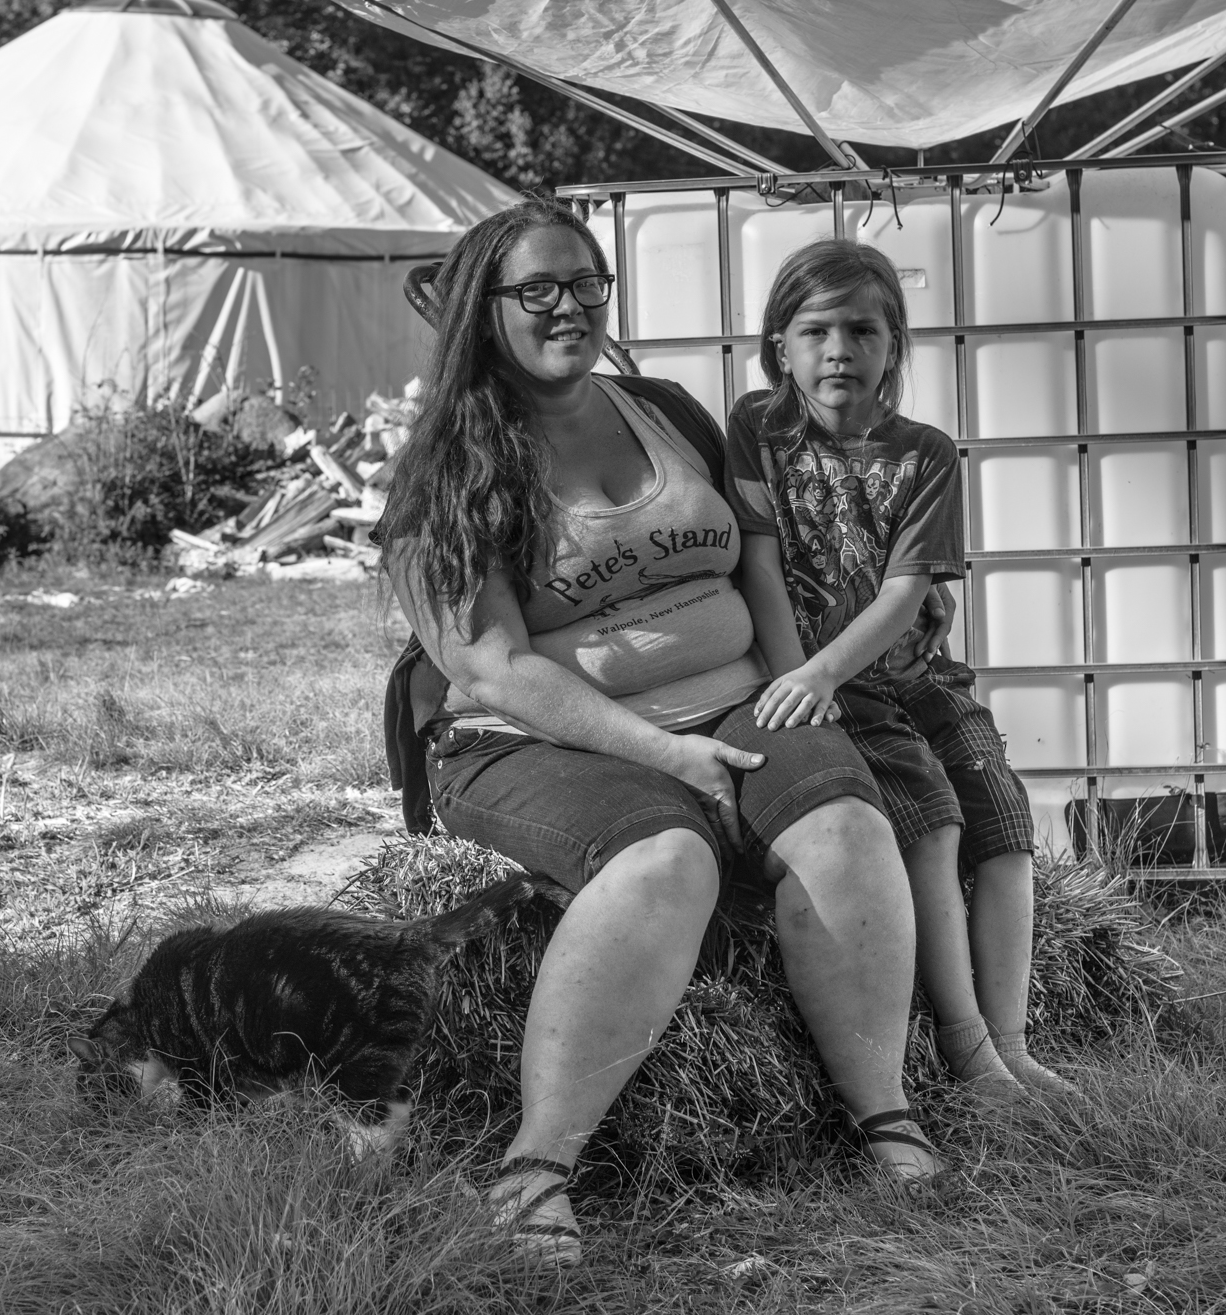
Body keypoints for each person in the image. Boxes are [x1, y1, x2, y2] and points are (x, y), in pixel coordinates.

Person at [377, 199, 940, 1268]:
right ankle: (535, 1169)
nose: (569, 307)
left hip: (731, 699)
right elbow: (491, 664)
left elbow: (752, 567)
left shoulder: (664, 410)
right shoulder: (446, 468)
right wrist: (670, 759)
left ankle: (884, 1113)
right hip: (532, 738)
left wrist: (795, 700)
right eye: (536, 289)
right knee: (664, 858)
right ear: (478, 311)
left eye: (587, 283)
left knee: (842, 823)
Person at [727, 238, 1075, 1099]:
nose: (837, 349)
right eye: (813, 331)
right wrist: (797, 679)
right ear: (779, 347)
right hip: (820, 679)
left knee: (1004, 818)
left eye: (861, 329)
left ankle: (1015, 1038)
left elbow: (901, 593)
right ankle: (967, 1049)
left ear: (894, 345)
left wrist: (824, 671)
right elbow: (760, 567)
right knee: (931, 820)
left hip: (915, 671)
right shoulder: (757, 429)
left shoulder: (925, 451)